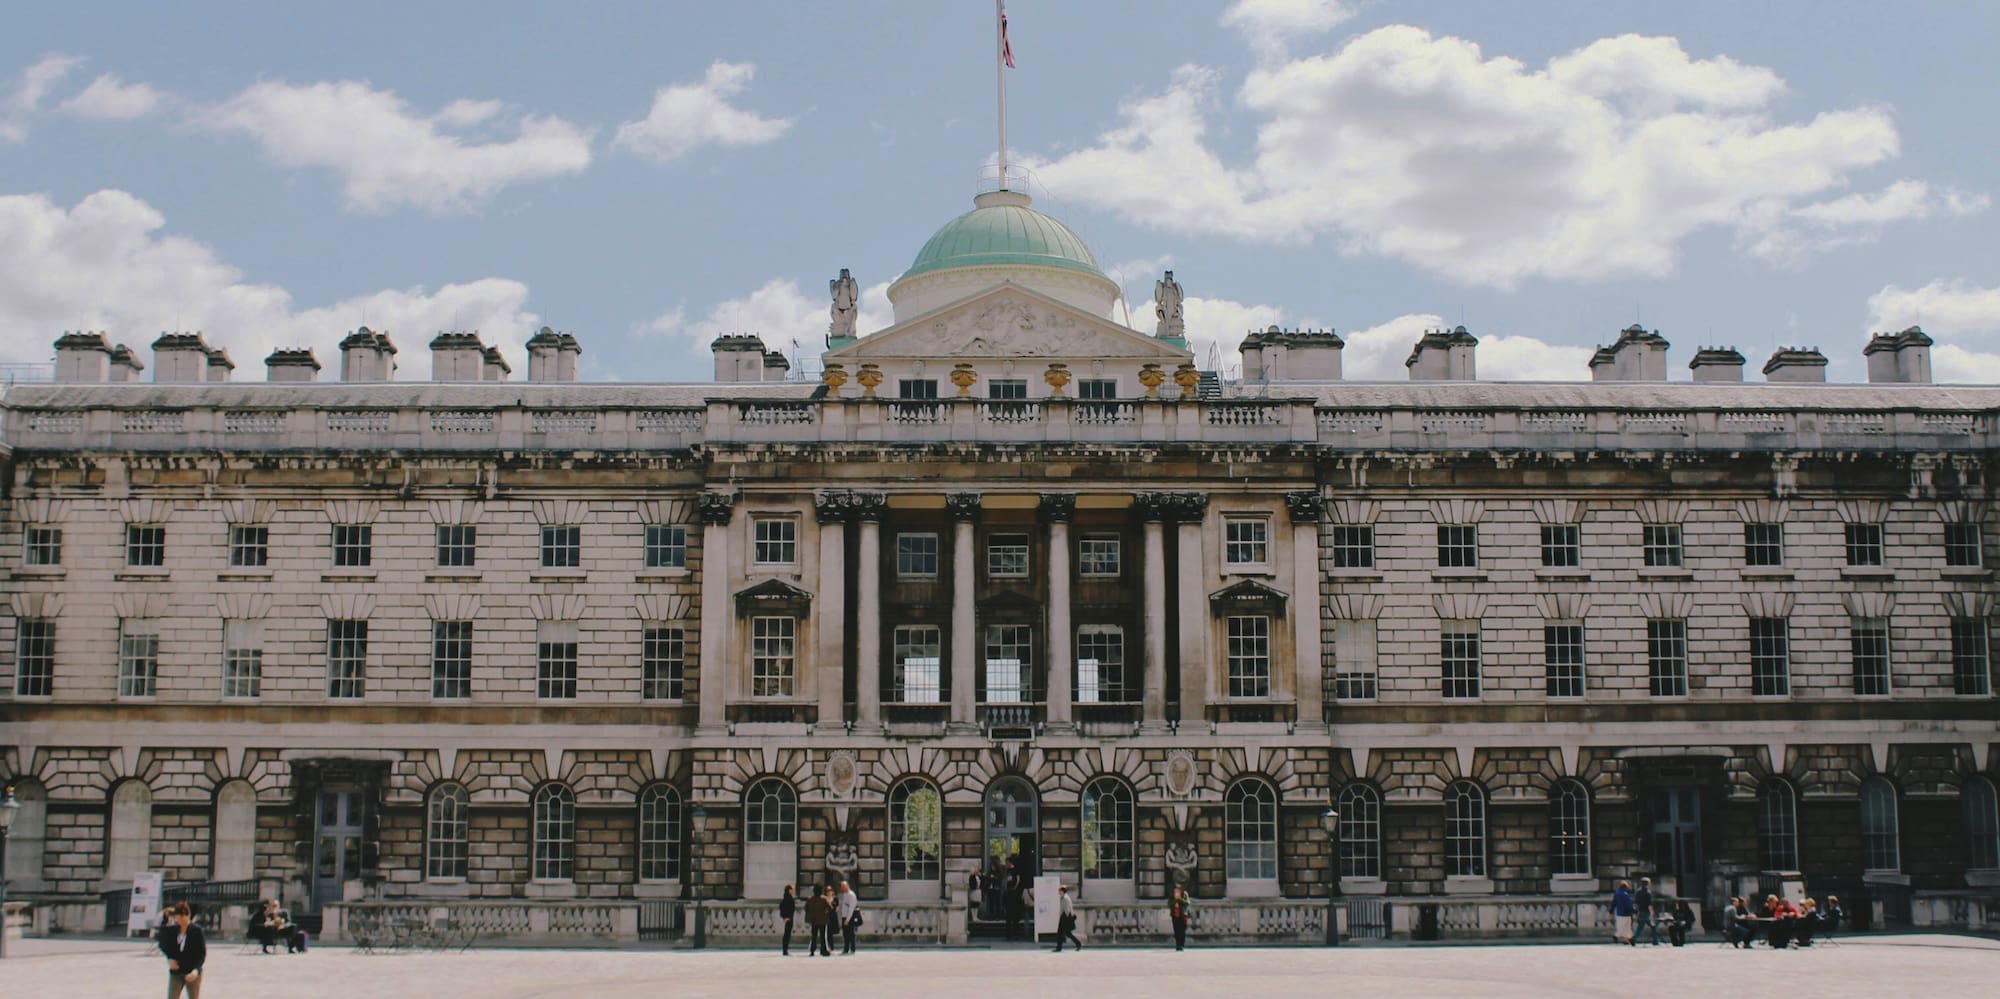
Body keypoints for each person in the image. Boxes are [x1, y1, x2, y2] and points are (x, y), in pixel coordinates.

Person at [157, 901, 207, 999]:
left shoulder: (197, 931)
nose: (179, 921)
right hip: (176, 972)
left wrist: (196, 970)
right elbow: (163, 943)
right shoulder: (174, 930)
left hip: (191, 972)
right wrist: (169, 958)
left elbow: (202, 954)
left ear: (187, 915)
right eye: (177, 918)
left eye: (181, 918)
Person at [1052, 884, 1083, 952]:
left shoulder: (1065, 898)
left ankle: (1059, 948)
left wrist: (1064, 918)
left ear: (1062, 891)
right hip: (1065, 916)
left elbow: (1067, 909)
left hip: (1065, 917)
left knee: (1061, 933)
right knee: (1067, 933)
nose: (1058, 892)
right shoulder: (1063, 898)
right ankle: (1078, 944)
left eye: (1059, 891)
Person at [803, 884, 831, 957]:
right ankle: (823, 950)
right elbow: (830, 908)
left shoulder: (810, 899)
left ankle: (812, 950)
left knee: (814, 936)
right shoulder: (824, 899)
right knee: (822, 936)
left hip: (814, 920)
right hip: (822, 920)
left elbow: (806, 908)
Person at [1634, 877, 1661, 946]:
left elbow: (1636, 904)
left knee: (1649, 926)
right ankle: (1633, 939)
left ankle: (1655, 940)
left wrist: (1637, 912)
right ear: (1648, 884)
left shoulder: (1638, 892)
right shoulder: (1648, 892)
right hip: (1646, 912)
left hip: (1640, 911)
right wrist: (1652, 912)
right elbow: (1649, 904)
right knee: (1647, 926)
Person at [837, 880, 860, 955]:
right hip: (844, 916)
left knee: (850, 933)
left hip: (849, 917)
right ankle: (846, 948)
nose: (842, 889)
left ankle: (852, 948)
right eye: (841, 887)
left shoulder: (851, 895)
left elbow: (851, 908)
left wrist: (847, 919)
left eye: (843, 887)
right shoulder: (845, 894)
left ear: (847, 886)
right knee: (845, 934)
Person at [1168, 884, 1193, 951]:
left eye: (1178, 890)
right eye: (1175, 890)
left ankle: (1181, 945)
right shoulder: (1172, 895)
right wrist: (1175, 900)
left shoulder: (1185, 894)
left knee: (1182, 931)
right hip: (1175, 915)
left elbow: (1187, 903)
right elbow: (1169, 904)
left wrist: (1179, 899)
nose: (1176, 891)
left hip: (1183, 914)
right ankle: (1177, 945)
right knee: (1176, 931)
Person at [1610, 881, 1635, 945]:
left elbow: (1613, 903)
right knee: (1626, 927)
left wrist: (1611, 912)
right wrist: (1634, 911)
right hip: (1626, 913)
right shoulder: (1625, 894)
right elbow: (1629, 904)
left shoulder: (1617, 893)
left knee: (1623, 927)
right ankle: (1616, 936)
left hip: (1619, 913)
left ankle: (1628, 940)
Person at [779, 884, 797, 956]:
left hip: (789, 917)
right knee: (787, 934)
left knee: (787, 934)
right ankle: (785, 950)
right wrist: (786, 917)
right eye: (792, 889)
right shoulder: (788, 898)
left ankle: (785, 949)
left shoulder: (787, 897)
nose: (794, 891)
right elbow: (784, 907)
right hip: (789, 918)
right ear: (789, 890)